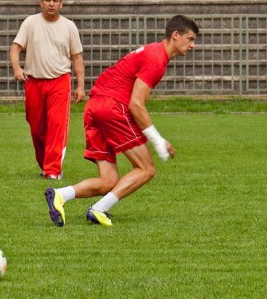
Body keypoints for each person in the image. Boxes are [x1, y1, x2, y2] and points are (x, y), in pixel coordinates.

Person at [44, 15, 199, 227]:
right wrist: (158, 141)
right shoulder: (157, 59)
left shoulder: (152, 51)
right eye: (190, 39)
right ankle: (99, 209)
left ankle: (60, 195)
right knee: (146, 169)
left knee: (108, 181)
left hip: (95, 106)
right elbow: (136, 104)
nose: (192, 45)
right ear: (175, 35)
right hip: (112, 108)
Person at [10, 0, 85, 180]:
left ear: (61, 3)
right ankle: (45, 164)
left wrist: (80, 86)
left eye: (55, 0)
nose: (51, 4)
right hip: (34, 82)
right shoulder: (30, 22)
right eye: (47, 0)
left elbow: (77, 58)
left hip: (60, 81)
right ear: (41, 3)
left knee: (56, 126)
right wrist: (17, 69)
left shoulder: (69, 27)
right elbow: (15, 48)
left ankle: (53, 170)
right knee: (36, 128)